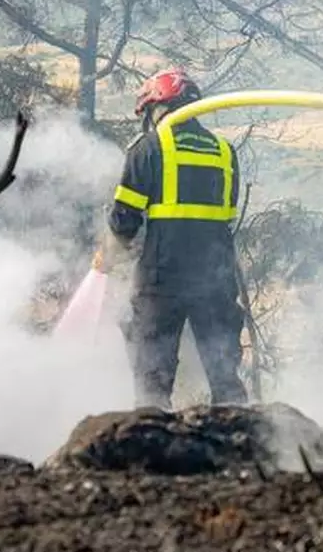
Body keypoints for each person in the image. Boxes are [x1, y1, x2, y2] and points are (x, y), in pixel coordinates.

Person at [93, 67, 249, 409]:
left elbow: (125, 220)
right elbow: (225, 217)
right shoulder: (224, 152)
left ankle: (153, 435)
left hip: (163, 280)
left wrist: (106, 257)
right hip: (216, 279)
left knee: (153, 377)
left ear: (157, 107)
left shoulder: (149, 148)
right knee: (224, 375)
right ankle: (245, 434)